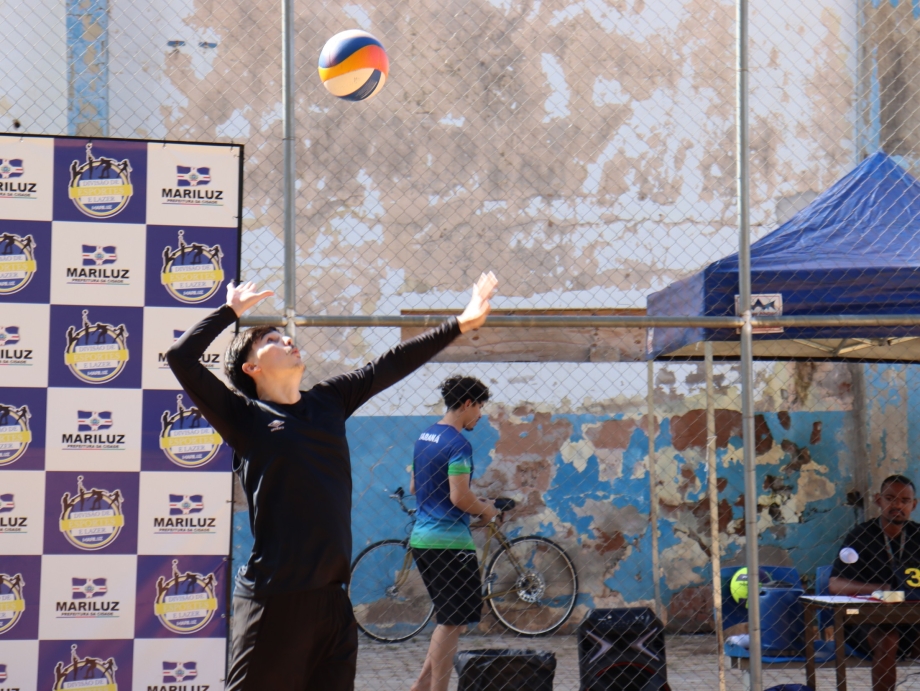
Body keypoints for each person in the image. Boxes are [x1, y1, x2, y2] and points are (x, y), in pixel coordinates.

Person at [167, 273, 497, 691]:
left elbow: (390, 363)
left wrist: (462, 323)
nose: (287, 341)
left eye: (286, 337)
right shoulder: (244, 417)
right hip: (274, 599)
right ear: (251, 368)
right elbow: (181, 357)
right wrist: (230, 311)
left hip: (333, 602)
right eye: (270, 340)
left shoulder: (329, 400)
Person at [409, 375, 499, 691]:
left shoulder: (426, 436)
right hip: (449, 544)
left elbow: (415, 486)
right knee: (450, 623)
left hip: (422, 539)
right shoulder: (458, 444)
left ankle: (420, 687)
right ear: (467, 404)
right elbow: (459, 497)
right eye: (480, 407)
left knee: (452, 619)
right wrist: (487, 510)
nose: (480, 415)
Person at [830, 474, 920, 691]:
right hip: (865, 621)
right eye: (890, 498)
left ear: (914, 505)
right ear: (879, 500)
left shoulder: (918, 536)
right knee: (887, 639)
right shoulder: (861, 536)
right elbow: (835, 584)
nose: (897, 505)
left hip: (911, 618)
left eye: (904, 501)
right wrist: (881, 589)